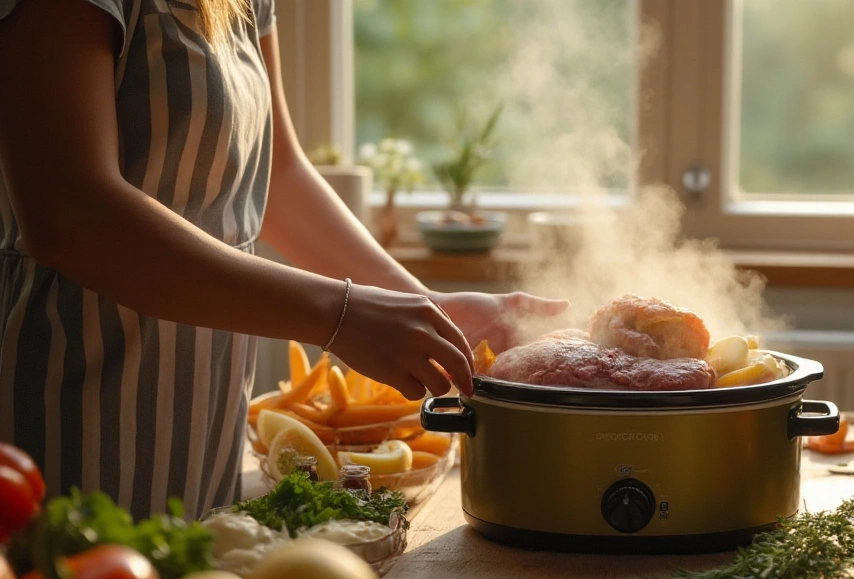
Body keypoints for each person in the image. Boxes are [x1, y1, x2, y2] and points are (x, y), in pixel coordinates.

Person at [0, 0, 565, 520]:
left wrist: (425, 307)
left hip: (203, 434)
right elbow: (68, 209)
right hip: (73, 406)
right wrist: (339, 315)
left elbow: (277, 174)